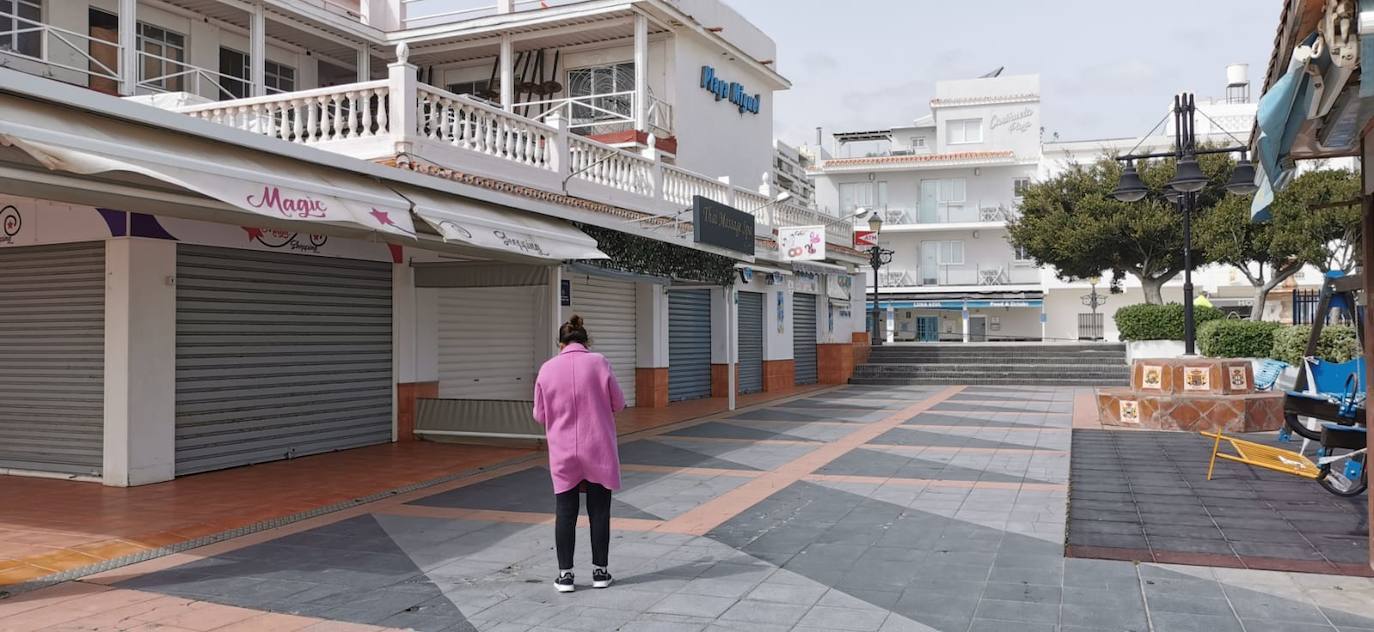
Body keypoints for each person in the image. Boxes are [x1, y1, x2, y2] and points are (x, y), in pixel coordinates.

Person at [532, 315, 626, 593]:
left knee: (565, 513)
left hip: (563, 452)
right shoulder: (599, 363)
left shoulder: (547, 369)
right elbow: (618, 404)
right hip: (597, 448)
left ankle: (565, 576)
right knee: (599, 511)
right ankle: (600, 572)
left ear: (560, 343)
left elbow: (539, 415)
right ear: (586, 342)